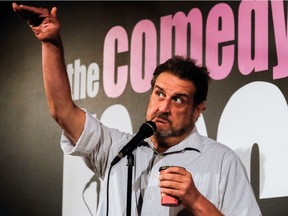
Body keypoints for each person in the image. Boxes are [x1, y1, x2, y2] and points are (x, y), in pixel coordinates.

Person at [12, 2, 262, 216]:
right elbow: (63, 112)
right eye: (159, 93)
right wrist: (50, 43)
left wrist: (197, 201)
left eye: (178, 100)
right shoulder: (118, 149)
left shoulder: (222, 161)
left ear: (198, 110)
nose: (163, 107)